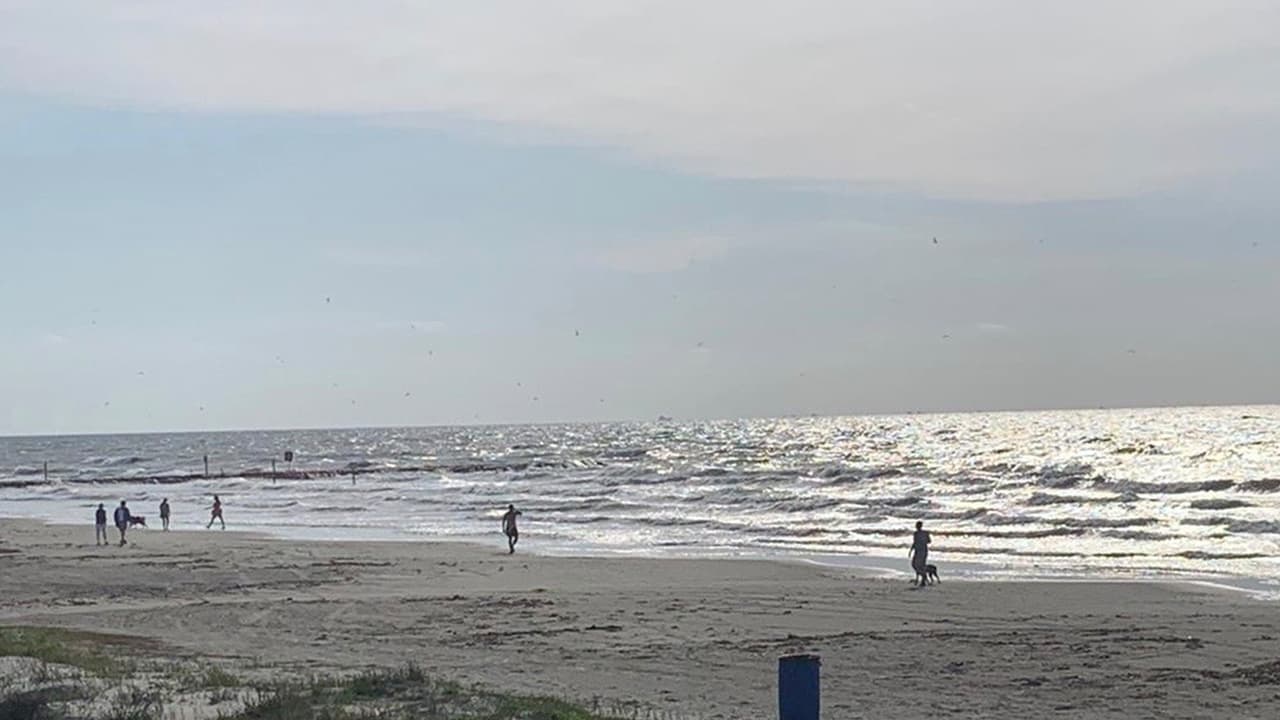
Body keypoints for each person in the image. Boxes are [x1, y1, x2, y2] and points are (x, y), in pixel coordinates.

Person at [908, 520, 931, 585]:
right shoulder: (925, 533)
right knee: (918, 565)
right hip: (922, 550)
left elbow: (915, 542)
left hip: (919, 551)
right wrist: (911, 550)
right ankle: (923, 576)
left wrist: (911, 550)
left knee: (916, 565)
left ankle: (923, 577)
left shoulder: (917, 534)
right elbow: (929, 541)